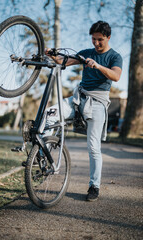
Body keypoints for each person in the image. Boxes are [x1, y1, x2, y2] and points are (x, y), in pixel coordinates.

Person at [45, 20, 123, 201]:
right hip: (78, 98)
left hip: (97, 102)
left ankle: (94, 186)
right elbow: (62, 61)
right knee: (49, 116)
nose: (96, 43)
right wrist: (50, 54)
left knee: (93, 147)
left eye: (100, 40)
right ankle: (43, 156)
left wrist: (97, 65)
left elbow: (116, 76)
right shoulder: (86, 53)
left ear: (108, 38)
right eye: (93, 39)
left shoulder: (115, 56)